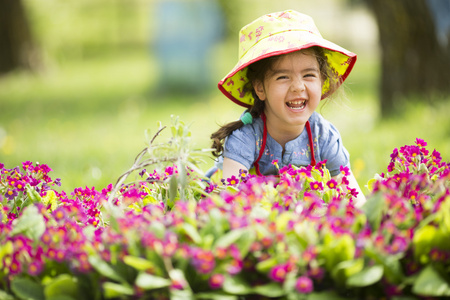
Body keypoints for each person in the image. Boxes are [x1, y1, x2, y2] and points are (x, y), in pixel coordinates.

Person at [209, 10, 366, 207]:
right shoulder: (245, 137)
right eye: (283, 77)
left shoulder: (323, 136)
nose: (298, 86)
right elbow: (231, 202)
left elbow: (355, 199)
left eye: (309, 75)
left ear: (322, 80)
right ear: (260, 88)